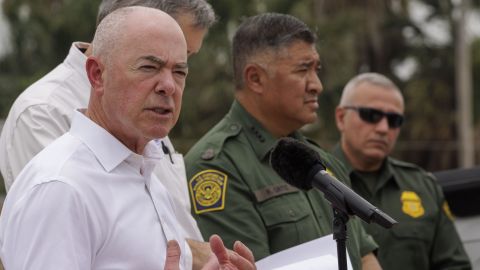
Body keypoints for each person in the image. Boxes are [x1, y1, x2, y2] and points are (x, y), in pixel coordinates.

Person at [0, 7, 254, 270]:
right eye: (148, 67)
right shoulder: (60, 187)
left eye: (179, 71)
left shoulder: (143, 167)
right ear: (97, 74)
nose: (169, 85)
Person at [184, 13, 382, 270]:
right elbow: (246, 265)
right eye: (303, 69)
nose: (317, 85)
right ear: (255, 79)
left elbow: (364, 255)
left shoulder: (319, 160)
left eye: (316, 69)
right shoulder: (217, 167)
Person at [332, 72, 471, 270]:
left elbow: (455, 266)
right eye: (371, 115)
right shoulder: (312, 183)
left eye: (394, 120)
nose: (383, 128)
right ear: (341, 118)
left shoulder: (423, 187)